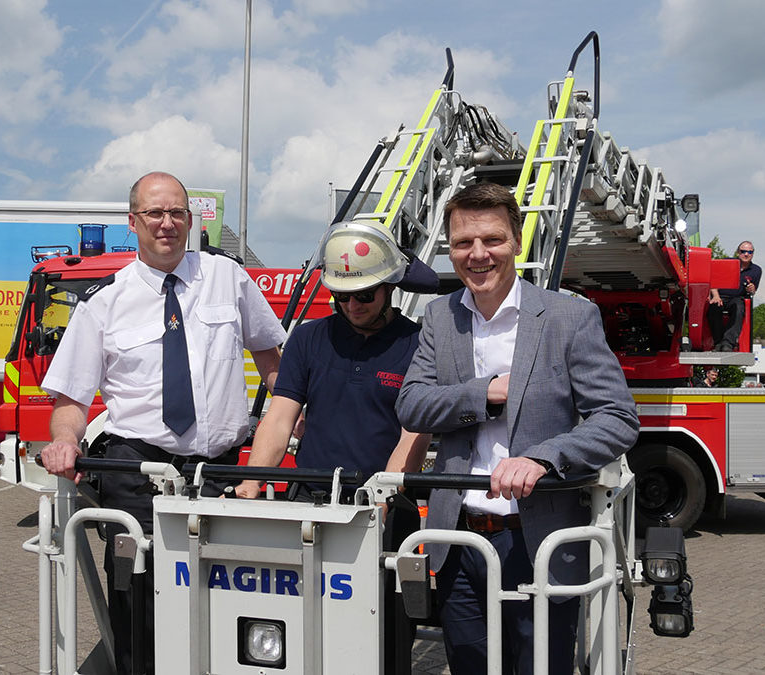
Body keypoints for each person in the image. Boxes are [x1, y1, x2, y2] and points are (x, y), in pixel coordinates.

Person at [40, 171, 286, 674]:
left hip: (219, 475)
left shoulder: (228, 277)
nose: (167, 223)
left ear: (190, 220)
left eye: (177, 212)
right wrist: (64, 442)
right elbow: (70, 396)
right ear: (134, 222)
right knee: (138, 608)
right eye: (155, 213)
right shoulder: (102, 302)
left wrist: (294, 419)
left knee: (230, 598)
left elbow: (271, 358)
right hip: (137, 475)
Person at [395, 182, 639, 675]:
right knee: (469, 665)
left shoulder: (569, 317)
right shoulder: (439, 318)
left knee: (540, 667)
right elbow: (412, 406)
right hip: (460, 539)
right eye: (463, 242)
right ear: (449, 246)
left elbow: (617, 418)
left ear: (517, 241)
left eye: (493, 240)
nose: (478, 254)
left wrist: (543, 458)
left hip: (539, 539)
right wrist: (483, 395)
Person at [235, 220, 437, 503]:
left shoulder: (419, 345)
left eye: (365, 295)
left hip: (382, 500)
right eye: (343, 295)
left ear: (389, 285)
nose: (353, 306)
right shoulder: (308, 338)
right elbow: (280, 417)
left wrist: (384, 501)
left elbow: (414, 435)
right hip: (311, 498)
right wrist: (251, 482)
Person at [708, 241, 761, 351]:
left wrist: (752, 289)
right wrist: (716, 296)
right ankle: (718, 343)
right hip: (720, 295)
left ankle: (728, 343)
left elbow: (753, 291)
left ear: (753, 254)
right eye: (743, 251)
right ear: (738, 252)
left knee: (739, 307)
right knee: (714, 307)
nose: (746, 254)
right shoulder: (726, 262)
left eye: (749, 252)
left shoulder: (756, 270)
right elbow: (712, 279)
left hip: (737, 298)